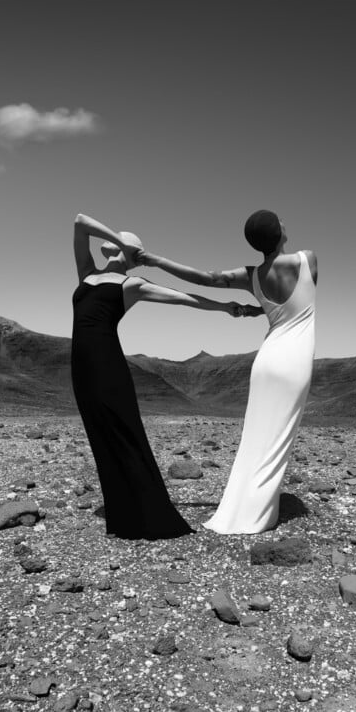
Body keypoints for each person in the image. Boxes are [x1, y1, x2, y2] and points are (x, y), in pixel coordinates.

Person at [71, 213, 249, 540]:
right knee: (100, 435)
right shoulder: (87, 273)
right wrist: (123, 240)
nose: (113, 242)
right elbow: (81, 222)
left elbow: (184, 299)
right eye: (117, 239)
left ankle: (148, 515)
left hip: (107, 364)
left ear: (129, 254)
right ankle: (123, 509)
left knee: (125, 432)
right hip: (80, 368)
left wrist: (225, 308)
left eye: (123, 241)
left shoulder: (131, 284)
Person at [140, 210, 316, 533]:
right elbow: (298, 306)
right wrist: (261, 309)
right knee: (279, 439)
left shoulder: (251, 276)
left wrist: (155, 260)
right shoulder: (308, 260)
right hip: (294, 360)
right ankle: (259, 512)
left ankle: (242, 507)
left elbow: (206, 278)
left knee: (256, 437)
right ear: (278, 232)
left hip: (267, 361)